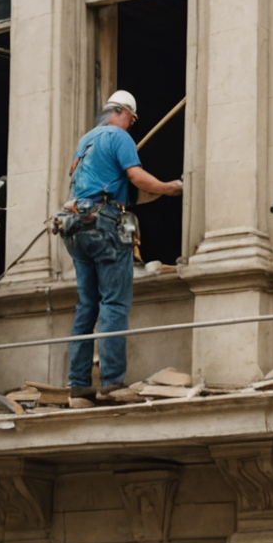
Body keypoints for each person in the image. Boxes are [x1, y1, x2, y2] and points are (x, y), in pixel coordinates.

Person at [61, 90, 183, 406]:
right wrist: (170, 188)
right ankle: (113, 384)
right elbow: (136, 177)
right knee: (114, 302)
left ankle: (79, 387)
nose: (131, 126)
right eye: (132, 119)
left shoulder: (85, 142)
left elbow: (120, 188)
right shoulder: (119, 136)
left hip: (75, 225)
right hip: (103, 225)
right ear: (123, 113)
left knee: (87, 305)